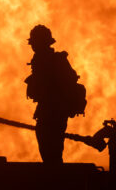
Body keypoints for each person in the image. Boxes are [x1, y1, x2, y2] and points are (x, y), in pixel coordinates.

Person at [24, 24, 84, 164]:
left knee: (52, 154)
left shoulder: (55, 61)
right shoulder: (41, 61)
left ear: (43, 43)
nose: (33, 47)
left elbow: (62, 87)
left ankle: (55, 180)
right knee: (49, 154)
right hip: (47, 112)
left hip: (54, 114)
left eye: (35, 43)